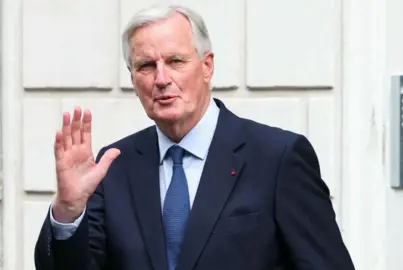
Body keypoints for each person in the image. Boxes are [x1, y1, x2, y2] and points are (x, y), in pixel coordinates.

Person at [33, 4, 355, 270]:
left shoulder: (277, 158)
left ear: (206, 66)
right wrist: (68, 211)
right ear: (132, 79)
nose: (161, 79)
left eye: (175, 61)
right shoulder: (113, 165)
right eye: (146, 66)